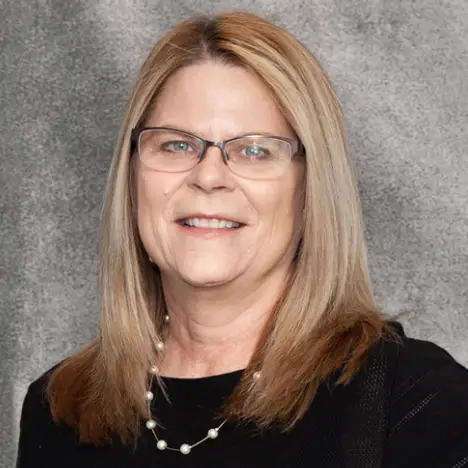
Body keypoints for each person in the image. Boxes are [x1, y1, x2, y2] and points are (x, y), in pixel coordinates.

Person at [16, 11, 468, 468]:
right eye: (176, 144)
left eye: (255, 150)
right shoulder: (60, 409)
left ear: (311, 189)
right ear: (133, 175)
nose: (209, 176)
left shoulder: (415, 400)